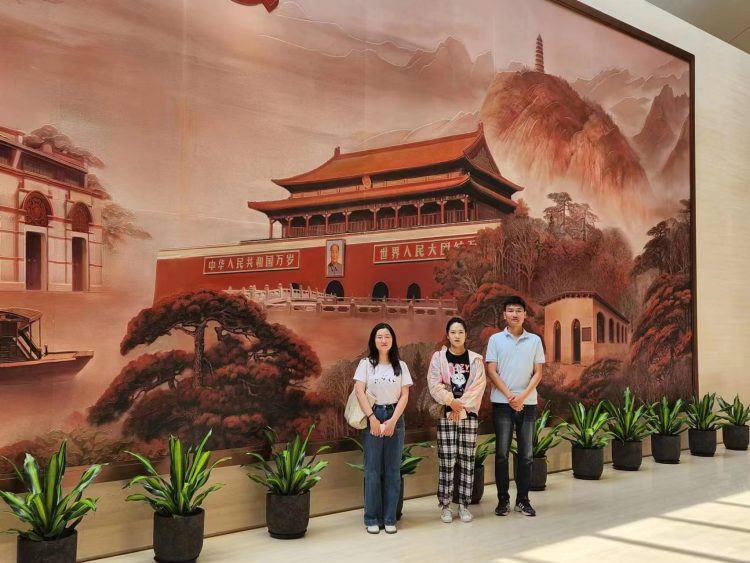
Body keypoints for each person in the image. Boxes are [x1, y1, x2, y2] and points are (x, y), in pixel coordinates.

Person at [485, 296, 544, 517]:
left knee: (526, 454)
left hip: (527, 404)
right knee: (501, 454)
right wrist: (511, 396)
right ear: (504, 315)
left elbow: (538, 373)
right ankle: (503, 501)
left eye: (519, 310)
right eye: (510, 310)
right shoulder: (495, 340)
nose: (515, 314)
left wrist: (522, 397)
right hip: (503, 404)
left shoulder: (535, 341)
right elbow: (491, 371)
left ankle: (523, 500)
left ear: (525, 315)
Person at [353, 323, 412, 534]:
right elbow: (359, 391)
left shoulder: (401, 366)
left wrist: (394, 421)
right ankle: (371, 518)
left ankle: (389, 518)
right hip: (374, 413)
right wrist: (372, 418)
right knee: (372, 469)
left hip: (395, 415)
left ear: (393, 340)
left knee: (393, 470)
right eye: (379, 336)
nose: (383, 340)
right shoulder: (366, 364)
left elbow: (405, 395)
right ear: (373, 340)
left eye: (387, 336)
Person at [427, 317, 486, 524]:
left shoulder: (475, 360)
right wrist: (450, 402)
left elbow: (479, 386)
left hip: (468, 414)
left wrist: (459, 406)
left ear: (466, 335)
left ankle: (463, 504)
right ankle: (445, 505)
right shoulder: (439, 358)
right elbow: (434, 384)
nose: (457, 336)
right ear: (448, 335)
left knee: (467, 459)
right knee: (447, 459)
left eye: (460, 332)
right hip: (447, 414)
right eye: (453, 332)